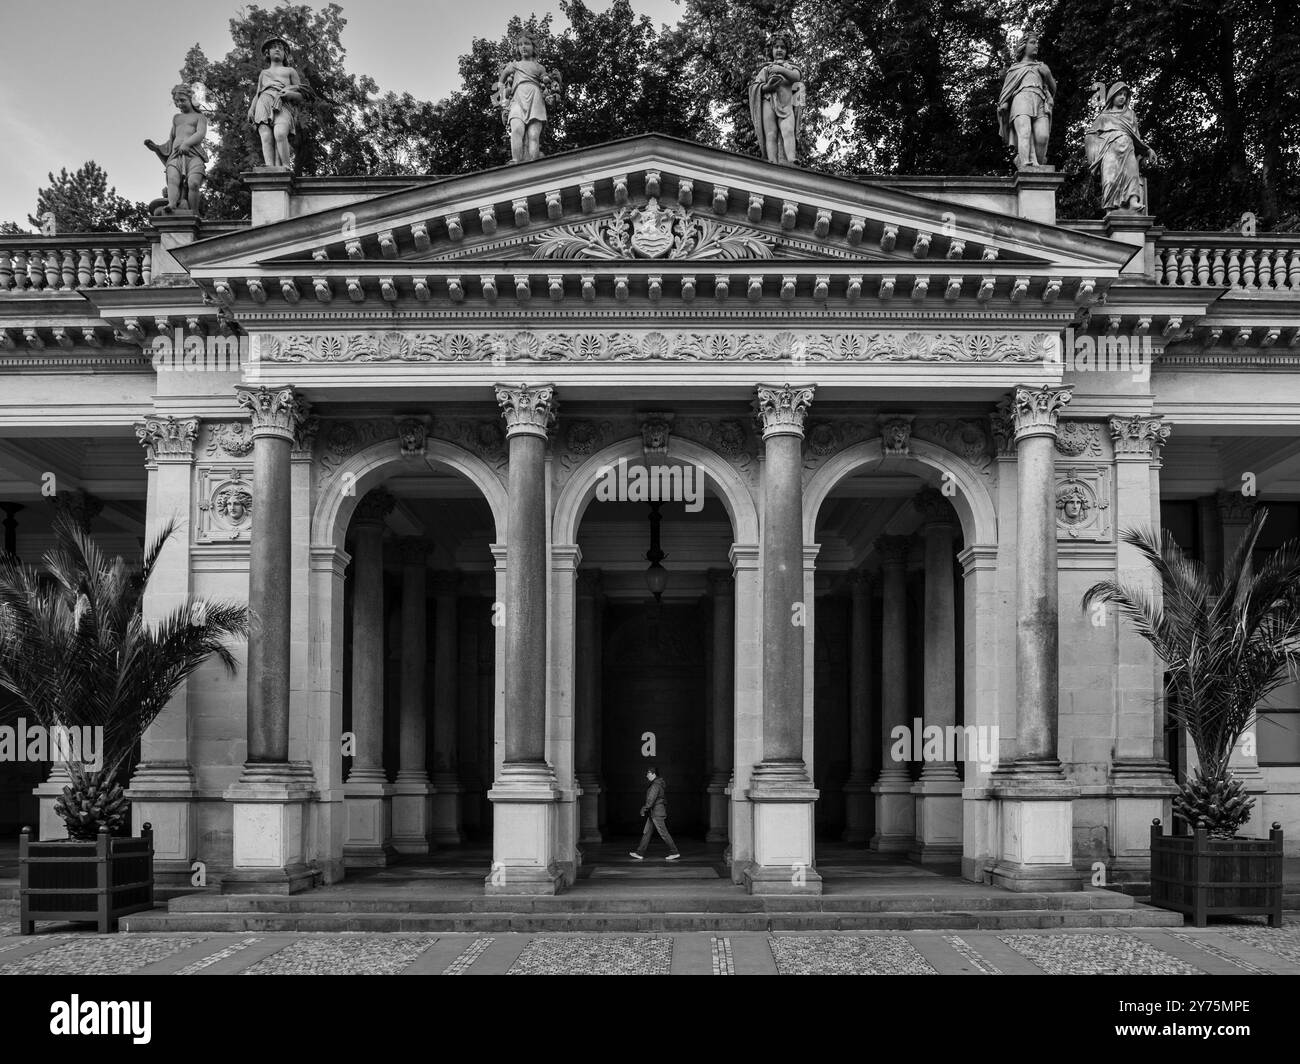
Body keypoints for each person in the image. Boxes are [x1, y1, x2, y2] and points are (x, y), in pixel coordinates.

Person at [1085, 82, 1157, 213]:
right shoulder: (1103, 117)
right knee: (1109, 179)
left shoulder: (1130, 115)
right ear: (1112, 95)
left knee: (1132, 174)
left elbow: (1137, 137)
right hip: (1110, 151)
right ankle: (1110, 208)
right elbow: (1091, 136)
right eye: (1119, 94)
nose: (1122, 97)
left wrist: (1147, 149)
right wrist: (1094, 155)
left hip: (1128, 149)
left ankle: (1133, 201)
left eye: (1125, 94)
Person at [493, 35, 561, 164]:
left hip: (535, 97)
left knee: (533, 135)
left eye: (527, 43)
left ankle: (534, 162)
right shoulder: (513, 65)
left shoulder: (540, 67)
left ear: (533, 47)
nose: (523, 46)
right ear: (517, 48)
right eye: (520, 44)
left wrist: (554, 83)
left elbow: (548, 84)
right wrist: (499, 100)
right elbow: (500, 82)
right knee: (517, 129)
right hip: (517, 98)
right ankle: (516, 160)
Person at [144, 85, 207, 214]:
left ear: (191, 99)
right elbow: (172, 139)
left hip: (193, 154)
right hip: (175, 155)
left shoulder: (200, 117)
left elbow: (200, 134)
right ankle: (172, 204)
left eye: (182, 100)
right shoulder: (176, 118)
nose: (179, 104)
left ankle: (194, 213)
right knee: (173, 180)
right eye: (177, 102)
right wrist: (156, 148)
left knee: (193, 183)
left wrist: (187, 144)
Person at [997, 33, 1056, 169]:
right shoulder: (1015, 69)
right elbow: (1007, 90)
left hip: (1040, 100)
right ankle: (1026, 165)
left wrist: (1047, 75)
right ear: (1024, 46)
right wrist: (1004, 102)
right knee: (1024, 132)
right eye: (1033, 42)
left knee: (1043, 137)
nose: (1036, 45)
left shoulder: (1042, 67)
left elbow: (1053, 90)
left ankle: (1037, 165)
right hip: (1021, 100)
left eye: (1037, 43)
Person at [748, 32, 805, 165]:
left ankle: (791, 158)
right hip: (768, 102)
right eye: (776, 47)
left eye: (783, 47)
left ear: (787, 51)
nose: (779, 50)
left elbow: (797, 78)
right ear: (771, 50)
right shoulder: (766, 69)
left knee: (788, 130)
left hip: (787, 104)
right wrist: (767, 87)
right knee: (770, 133)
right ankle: (771, 161)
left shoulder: (791, 67)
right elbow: (755, 87)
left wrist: (780, 69)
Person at [247, 36, 304, 168]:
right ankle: (269, 167)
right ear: (268, 53)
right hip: (264, 101)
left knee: (280, 133)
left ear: (285, 54)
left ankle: (285, 166)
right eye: (274, 47)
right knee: (266, 136)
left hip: (282, 103)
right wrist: (251, 108)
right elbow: (258, 93)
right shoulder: (263, 73)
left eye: (281, 48)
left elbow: (302, 94)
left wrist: (290, 94)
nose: (277, 49)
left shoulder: (290, 71)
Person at [629, 765, 680, 861]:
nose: (646, 775)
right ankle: (639, 853)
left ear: (653, 773)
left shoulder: (655, 785)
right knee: (647, 833)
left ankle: (675, 852)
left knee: (664, 833)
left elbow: (651, 799)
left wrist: (644, 808)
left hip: (657, 813)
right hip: (654, 813)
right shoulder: (656, 783)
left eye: (648, 773)